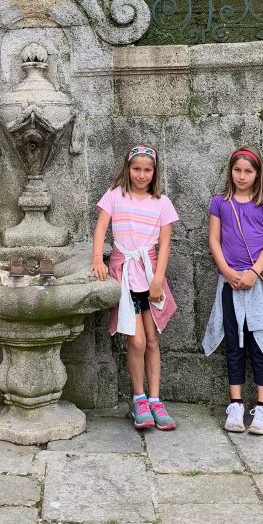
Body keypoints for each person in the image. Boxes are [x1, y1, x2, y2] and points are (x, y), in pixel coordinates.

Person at [91, 145, 178, 431]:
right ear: (128, 168)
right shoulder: (116, 195)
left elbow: (165, 244)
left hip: (150, 274)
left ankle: (155, 399)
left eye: (147, 170)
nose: (142, 174)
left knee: (152, 340)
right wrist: (97, 259)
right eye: (137, 168)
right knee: (137, 340)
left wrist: (157, 280)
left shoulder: (162, 203)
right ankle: (138, 398)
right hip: (125, 273)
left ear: (155, 172)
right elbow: (101, 227)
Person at [202, 146, 263, 435]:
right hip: (229, 283)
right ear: (230, 171)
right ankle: (235, 403)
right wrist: (227, 271)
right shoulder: (219, 203)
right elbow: (214, 240)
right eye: (237, 170)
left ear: (257, 173)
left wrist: (252, 273)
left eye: (248, 171)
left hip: (258, 284)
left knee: (260, 343)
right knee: (234, 343)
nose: (242, 176)